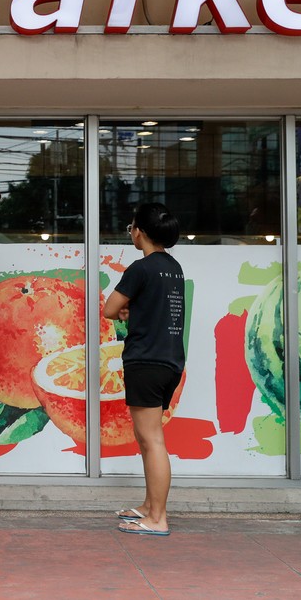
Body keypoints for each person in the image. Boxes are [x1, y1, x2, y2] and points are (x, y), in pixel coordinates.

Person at [103, 203, 184, 537]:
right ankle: (150, 507)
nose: (131, 232)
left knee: (152, 440)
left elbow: (109, 308)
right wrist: (132, 311)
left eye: (132, 227)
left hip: (145, 361)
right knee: (149, 438)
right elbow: (154, 309)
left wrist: (125, 310)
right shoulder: (173, 267)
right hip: (170, 361)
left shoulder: (141, 268)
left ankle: (158, 518)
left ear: (140, 232)